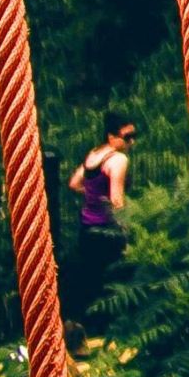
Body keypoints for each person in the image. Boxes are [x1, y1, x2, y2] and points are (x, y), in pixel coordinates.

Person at [66, 116, 134, 317]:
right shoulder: (118, 160)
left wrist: (93, 195)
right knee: (113, 280)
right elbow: (116, 199)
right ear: (111, 136)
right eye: (127, 137)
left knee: (90, 276)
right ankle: (112, 322)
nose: (132, 142)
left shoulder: (93, 155)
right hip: (107, 228)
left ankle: (89, 321)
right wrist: (126, 227)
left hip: (87, 227)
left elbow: (74, 183)